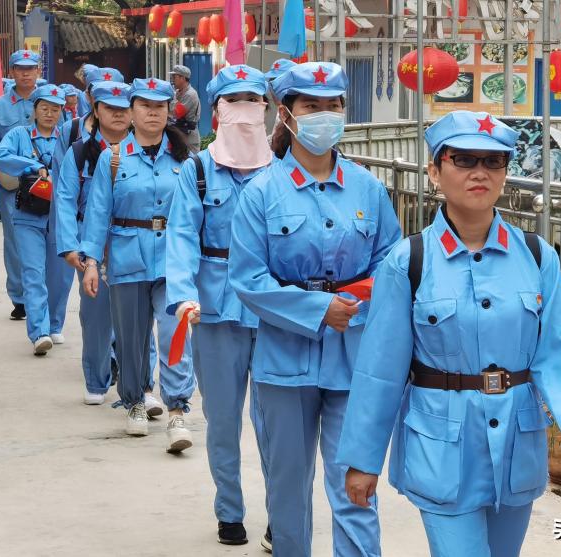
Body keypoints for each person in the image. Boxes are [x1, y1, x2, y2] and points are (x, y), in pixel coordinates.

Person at [336, 111, 561, 557]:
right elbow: (379, 372)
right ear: (434, 170)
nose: (479, 172)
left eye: (494, 161)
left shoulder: (537, 256)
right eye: (463, 159)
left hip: (516, 448)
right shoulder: (409, 261)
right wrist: (363, 461)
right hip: (442, 447)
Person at [228, 61, 402, 557]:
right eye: (311, 106)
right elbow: (247, 278)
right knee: (288, 489)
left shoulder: (368, 188)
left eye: (334, 105)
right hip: (284, 361)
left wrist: (355, 306)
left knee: (355, 486)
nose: (324, 115)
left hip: (354, 356)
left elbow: (391, 261)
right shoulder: (260, 192)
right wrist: (317, 309)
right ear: (285, 114)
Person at [165, 64, 272, 548]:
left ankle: (282, 512)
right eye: (235, 102)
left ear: (268, 111)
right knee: (224, 420)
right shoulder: (199, 170)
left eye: (254, 101)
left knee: (278, 425)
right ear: (215, 112)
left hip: (274, 313)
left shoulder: (283, 172)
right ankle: (230, 510)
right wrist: (183, 293)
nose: (245, 112)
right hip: (215, 311)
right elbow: (182, 234)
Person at [80, 78, 196, 448]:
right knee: (130, 337)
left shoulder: (184, 161)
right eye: (144, 106)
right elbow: (98, 212)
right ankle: (135, 401)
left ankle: (177, 410)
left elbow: (194, 216)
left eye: (159, 107)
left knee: (174, 331)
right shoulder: (112, 158)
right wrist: (93, 262)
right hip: (128, 257)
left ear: (168, 113)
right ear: (130, 112)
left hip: (172, 260)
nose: (152, 113)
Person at [55, 80, 131, 404]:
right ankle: (97, 379)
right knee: (97, 312)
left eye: (124, 108)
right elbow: (65, 199)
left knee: (136, 312)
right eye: (109, 108)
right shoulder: (80, 152)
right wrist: (71, 246)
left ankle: (140, 382)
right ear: (96, 111)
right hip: (91, 240)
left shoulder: (142, 151)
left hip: (132, 238)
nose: (117, 114)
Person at [0, 84, 69, 356]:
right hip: (27, 215)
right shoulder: (19, 135)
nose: (50, 114)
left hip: (60, 217)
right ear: (34, 110)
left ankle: (55, 323)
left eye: (55, 109)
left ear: (62, 112)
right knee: (33, 273)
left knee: (60, 276)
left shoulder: (67, 137)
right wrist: (32, 166)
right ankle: (39, 332)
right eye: (44, 108)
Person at [0, 49, 42, 321]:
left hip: (44, 184)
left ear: (38, 71)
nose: (26, 73)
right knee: (15, 243)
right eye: (20, 68)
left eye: (31, 68)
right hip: (12, 187)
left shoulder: (50, 102)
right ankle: (20, 298)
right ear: (12, 72)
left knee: (47, 242)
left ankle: (41, 296)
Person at [169, 65, 201, 153]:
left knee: (191, 163)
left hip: (189, 138)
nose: (172, 80)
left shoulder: (190, 94)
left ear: (182, 78)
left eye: (174, 77)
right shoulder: (179, 92)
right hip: (181, 133)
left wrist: (171, 99)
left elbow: (176, 113)